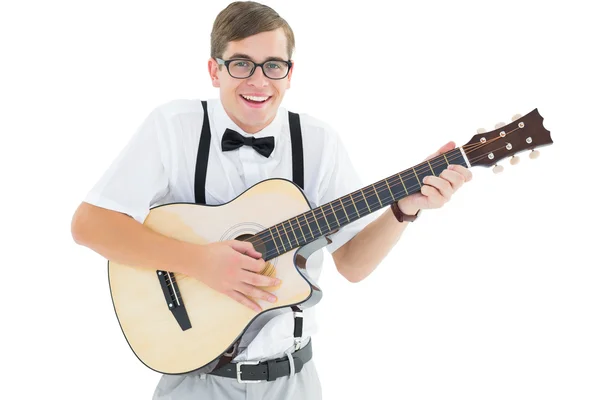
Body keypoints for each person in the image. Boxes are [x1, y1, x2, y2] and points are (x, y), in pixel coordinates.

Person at [70, 1, 473, 399]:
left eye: (273, 66)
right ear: (215, 70)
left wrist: (405, 208)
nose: (258, 81)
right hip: (195, 383)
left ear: (290, 73)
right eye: (241, 63)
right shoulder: (173, 128)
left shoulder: (319, 143)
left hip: (293, 381)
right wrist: (199, 262)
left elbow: (352, 264)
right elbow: (89, 225)